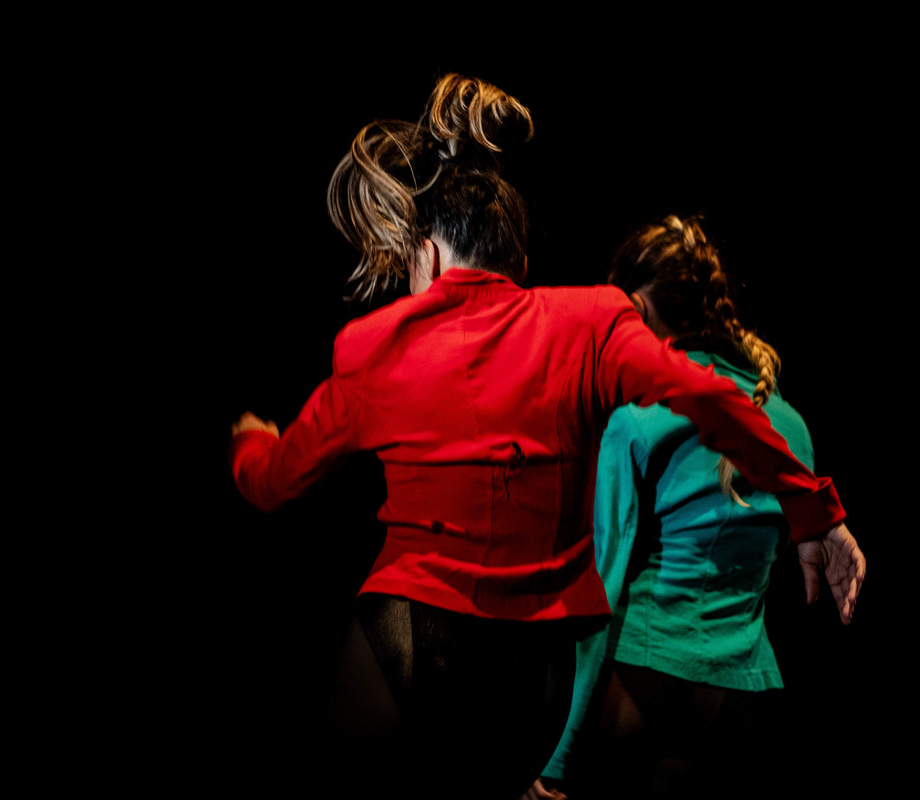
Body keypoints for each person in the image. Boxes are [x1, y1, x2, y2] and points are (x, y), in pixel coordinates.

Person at [228, 75, 857, 799]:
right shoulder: (591, 322)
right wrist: (814, 513)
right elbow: (715, 398)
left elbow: (272, 484)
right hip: (536, 663)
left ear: (427, 256)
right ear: (520, 266)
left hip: (416, 623)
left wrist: (250, 441)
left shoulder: (374, 345)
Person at [526, 216, 866, 800]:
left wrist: (557, 762)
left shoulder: (636, 416)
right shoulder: (791, 424)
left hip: (640, 677)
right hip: (736, 698)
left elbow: (603, 584)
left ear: (635, 307)